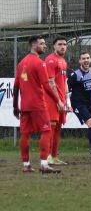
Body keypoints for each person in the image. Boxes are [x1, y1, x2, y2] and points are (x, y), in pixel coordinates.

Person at [13, 35, 64, 173]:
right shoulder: (39, 62)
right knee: (47, 131)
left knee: (25, 134)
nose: (45, 46)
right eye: (42, 43)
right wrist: (57, 101)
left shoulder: (21, 63)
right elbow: (47, 86)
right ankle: (43, 163)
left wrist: (15, 106)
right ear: (34, 45)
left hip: (24, 106)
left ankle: (26, 165)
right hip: (38, 105)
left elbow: (16, 86)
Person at [45, 35, 70, 165]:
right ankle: (47, 156)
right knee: (51, 127)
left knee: (58, 128)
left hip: (61, 100)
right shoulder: (51, 60)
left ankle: (54, 157)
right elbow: (50, 82)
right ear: (54, 46)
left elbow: (64, 81)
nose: (62, 46)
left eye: (64, 44)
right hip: (52, 100)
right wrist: (58, 100)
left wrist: (66, 101)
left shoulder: (63, 61)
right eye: (59, 44)